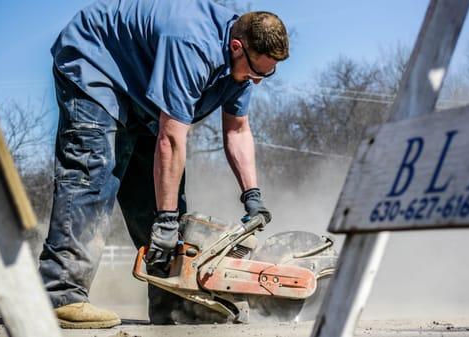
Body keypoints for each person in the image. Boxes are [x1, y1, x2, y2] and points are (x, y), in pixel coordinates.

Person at [38, 0, 289, 329]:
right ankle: (60, 294)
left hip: (141, 90)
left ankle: (171, 304)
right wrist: (167, 221)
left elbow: (238, 130)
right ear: (236, 47)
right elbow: (171, 139)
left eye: (268, 73)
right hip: (96, 61)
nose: (258, 81)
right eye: (257, 72)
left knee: (157, 195)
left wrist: (251, 194)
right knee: (93, 170)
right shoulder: (192, 45)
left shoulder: (241, 69)